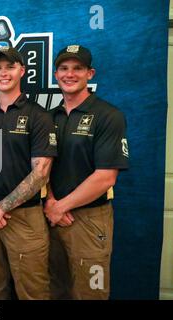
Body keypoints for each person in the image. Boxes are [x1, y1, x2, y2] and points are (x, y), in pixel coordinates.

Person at [0, 46, 57, 300]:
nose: (3, 73)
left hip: (25, 219)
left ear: (22, 71)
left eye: (10, 67)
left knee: (33, 292)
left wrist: (0, 209)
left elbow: (41, 173)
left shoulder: (38, 116)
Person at [44, 45, 129, 300]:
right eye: (64, 68)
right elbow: (41, 169)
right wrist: (50, 203)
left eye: (78, 68)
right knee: (53, 289)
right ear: (56, 75)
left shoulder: (108, 115)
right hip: (50, 217)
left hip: (90, 220)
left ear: (90, 73)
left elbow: (106, 176)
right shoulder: (49, 117)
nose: (70, 74)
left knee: (90, 293)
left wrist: (61, 207)